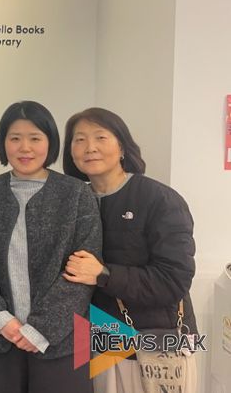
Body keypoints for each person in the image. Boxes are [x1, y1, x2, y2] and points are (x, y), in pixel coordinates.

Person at [0, 100, 101, 393]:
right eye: (15, 138)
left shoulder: (76, 194)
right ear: (3, 143)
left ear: (51, 142)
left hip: (64, 340)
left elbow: (82, 272)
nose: (25, 148)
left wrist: (42, 327)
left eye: (35, 138)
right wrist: (0, 319)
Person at [62, 107, 198, 392]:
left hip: (152, 347)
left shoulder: (159, 199)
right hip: (94, 340)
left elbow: (174, 280)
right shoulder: (71, 201)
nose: (90, 147)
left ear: (122, 146)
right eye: (79, 139)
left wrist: (104, 274)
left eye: (100, 137)